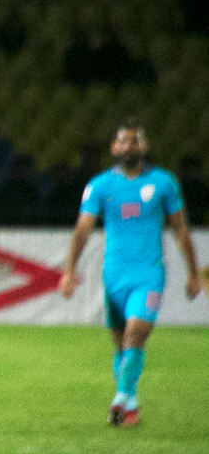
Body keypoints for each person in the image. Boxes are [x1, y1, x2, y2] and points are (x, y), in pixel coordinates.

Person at [59, 119, 200, 427]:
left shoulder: (163, 183)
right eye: (123, 141)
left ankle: (120, 399)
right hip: (114, 276)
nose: (129, 146)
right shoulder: (100, 186)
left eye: (135, 141)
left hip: (149, 275)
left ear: (144, 146)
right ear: (114, 147)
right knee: (121, 345)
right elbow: (82, 229)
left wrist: (193, 272)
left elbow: (180, 229)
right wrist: (69, 270)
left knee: (135, 334)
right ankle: (131, 403)